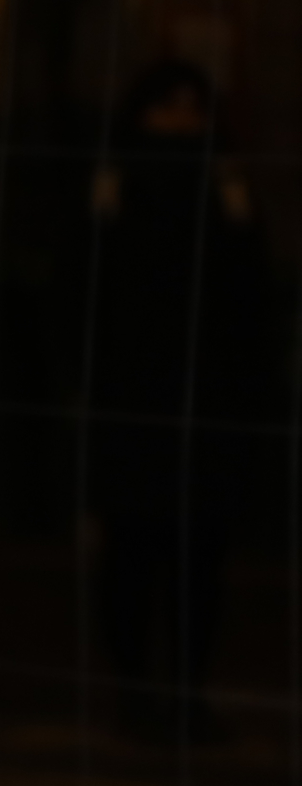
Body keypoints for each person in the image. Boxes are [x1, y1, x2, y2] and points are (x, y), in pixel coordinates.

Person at [84, 60, 271, 748]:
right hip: (136, 407)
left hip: (207, 408)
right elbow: (90, 292)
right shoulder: (117, 186)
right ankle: (138, 690)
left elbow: (248, 290)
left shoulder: (222, 187)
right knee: (134, 557)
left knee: (198, 562)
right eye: (168, 111)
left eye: (195, 112)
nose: (183, 125)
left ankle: (185, 692)